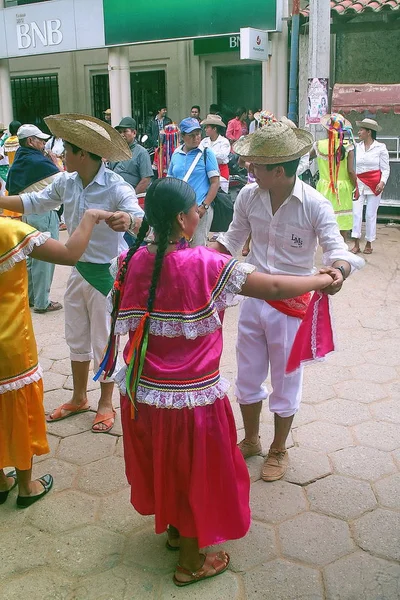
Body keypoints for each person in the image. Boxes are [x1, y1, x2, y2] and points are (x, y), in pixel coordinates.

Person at [96, 177, 334, 587]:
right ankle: (191, 562)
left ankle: (174, 531)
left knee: (167, 465)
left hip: (145, 397)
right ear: (181, 219)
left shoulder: (129, 261)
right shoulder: (206, 266)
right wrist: (320, 279)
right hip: (193, 403)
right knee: (194, 475)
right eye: (195, 210)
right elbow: (274, 286)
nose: (200, 212)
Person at [211, 121, 364, 482]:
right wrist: (193, 258)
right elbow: (231, 242)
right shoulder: (249, 196)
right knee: (246, 375)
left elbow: (338, 251)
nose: (249, 170)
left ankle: (278, 448)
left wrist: (339, 271)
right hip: (252, 298)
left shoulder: (315, 204)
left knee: (286, 380)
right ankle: (251, 440)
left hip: (292, 309)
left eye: (256, 166)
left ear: (278, 171)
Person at [0, 113, 144, 434]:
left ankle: (105, 403)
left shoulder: (116, 186)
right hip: (77, 270)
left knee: (104, 341)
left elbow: (137, 217)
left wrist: (127, 219)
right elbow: (33, 202)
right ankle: (79, 397)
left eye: (67, 149)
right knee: (76, 335)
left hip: (107, 276)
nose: (62, 154)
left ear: (83, 153)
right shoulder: (66, 181)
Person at [0, 207, 112, 508]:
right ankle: (26, 486)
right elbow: (68, 253)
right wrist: (89, 217)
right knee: (18, 409)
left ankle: (0, 480)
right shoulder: (9, 231)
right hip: (10, 342)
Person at [6, 124, 63, 314]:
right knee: (45, 259)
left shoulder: (22, 159)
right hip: (44, 213)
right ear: (30, 141)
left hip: (29, 212)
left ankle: (31, 297)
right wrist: (56, 161)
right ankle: (42, 302)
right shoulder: (39, 162)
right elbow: (62, 181)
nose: (44, 143)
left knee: (32, 258)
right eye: (40, 140)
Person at [167, 117, 219, 246]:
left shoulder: (207, 153)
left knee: (197, 248)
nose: (196, 138)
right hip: (179, 211)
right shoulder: (176, 154)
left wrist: (204, 206)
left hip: (199, 210)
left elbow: (215, 182)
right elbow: (170, 180)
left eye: (198, 134)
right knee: (178, 248)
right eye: (191, 135)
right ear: (183, 136)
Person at [311, 114, 357, 239]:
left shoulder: (319, 145)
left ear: (327, 129)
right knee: (342, 226)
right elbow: (351, 171)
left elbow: (306, 159)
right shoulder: (348, 145)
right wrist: (356, 187)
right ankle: (341, 251)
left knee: (324, 222)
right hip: (343, 189)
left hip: (324, 188)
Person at [351, 118, 390, 255]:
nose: (359, 132)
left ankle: (369, 242)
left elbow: (385, 169)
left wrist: (382, 182)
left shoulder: (380, 147)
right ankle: (355, 243)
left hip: (375, 185)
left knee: (370, 214)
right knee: (356, 213)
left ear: (369, 132)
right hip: (359, 183)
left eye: (361, 130)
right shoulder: (356, 147)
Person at [110, 117, 153, 195]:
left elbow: (146, 180)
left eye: (125, 131)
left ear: (134, 133)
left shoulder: (141, 152)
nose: (122, 135)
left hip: (131, 197)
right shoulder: (115, 151)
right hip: (113, 196)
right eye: (120, 132)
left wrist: (132, 197)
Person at [200, 114, 230, 192]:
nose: (205, 129)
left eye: (207, 127)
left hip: (221, 171)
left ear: (214, 129)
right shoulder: (204, 141)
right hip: (206, 172)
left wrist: (208, 154)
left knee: (222, 196)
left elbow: (222, 156)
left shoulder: (224, 142)